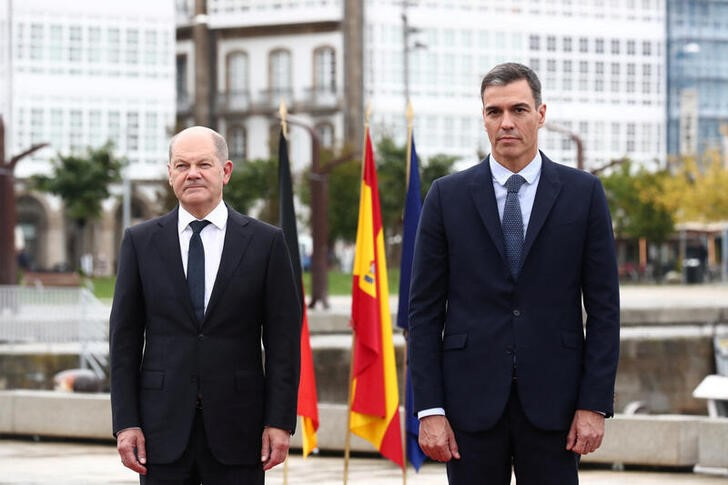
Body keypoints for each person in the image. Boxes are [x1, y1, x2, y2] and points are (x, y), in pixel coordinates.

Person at [408, 62, 620, 484]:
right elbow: (424, 313)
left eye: (519, 110)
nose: (507, 123)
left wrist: (594, 404)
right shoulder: (445, 197)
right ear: (484, 117)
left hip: (557, 407)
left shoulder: (584, 194)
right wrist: (430, 409)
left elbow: (604, 311)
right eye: (494, 112)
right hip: (468, 406)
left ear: (541, 114)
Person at [110, 126, 301, 484]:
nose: (192, 173)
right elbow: (124, 342)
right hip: (159, 432)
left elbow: (283, 344)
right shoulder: (139, 242)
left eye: (203, 164)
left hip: (240, 429)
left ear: (225, 171)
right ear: (170, 174)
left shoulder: (266, 243)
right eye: (181, 165)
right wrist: (125, 422)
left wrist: (279, 421)